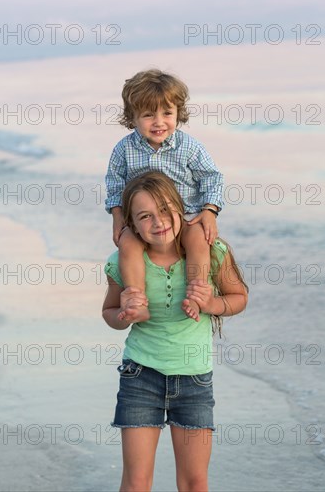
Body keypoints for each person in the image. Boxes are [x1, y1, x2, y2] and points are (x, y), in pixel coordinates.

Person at [102, 171, 248, 491]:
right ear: (131, 224)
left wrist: (211, 304)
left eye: (166, 210)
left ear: (181, 207)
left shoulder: (212, 253)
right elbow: (109, 313)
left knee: (194, 482)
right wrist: (124, 314)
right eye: (145, 216)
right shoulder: (122, 263)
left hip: (194, 379)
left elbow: (239, 298)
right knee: (137, 481)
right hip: (140, 374)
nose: (159, 222)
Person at [105, 69, 224, 322]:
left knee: (198, 240)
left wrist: (210, 211)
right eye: (148, 115)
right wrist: (118, 218)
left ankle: (197, 294)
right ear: (132, 117)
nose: (159, 122)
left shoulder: (189, 147)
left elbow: (211, 178)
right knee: (128, 243)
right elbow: (114, 185)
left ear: (178, 114)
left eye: (167, 113)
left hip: (186, 215)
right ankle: (137, 301)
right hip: (145, 220)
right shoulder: (124, 149)